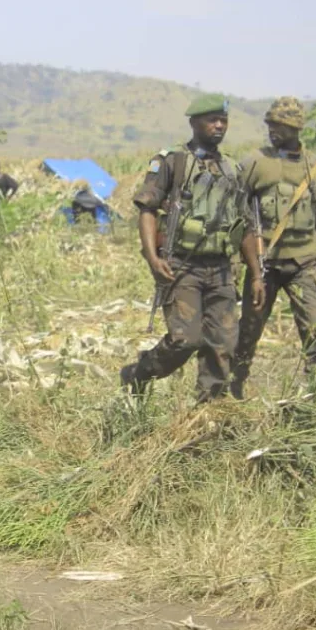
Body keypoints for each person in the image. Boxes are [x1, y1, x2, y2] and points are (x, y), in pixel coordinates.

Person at [120, 95, 264, 403]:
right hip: (182, 266)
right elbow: (147, 209)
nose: (219, 126)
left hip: (221, 269)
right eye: (212, 120)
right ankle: (139, 373)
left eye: (223, 120)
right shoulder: (173, 161)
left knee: (223, 344)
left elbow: (246, 226)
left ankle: (208, 410)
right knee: (185, 340)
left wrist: (256, 274)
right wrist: (152, 258)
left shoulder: (231, 169)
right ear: (194, 123)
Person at [231, 97, 316, 398]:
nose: (273, 130)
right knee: (248, 331)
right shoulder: (255, 164)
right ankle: (233, 389)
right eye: (270, 124)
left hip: (304, 265)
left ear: (296, 128)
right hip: (263, 266)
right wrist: (235, 264)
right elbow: (235, 217)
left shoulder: (315, 168)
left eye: (280, 125)